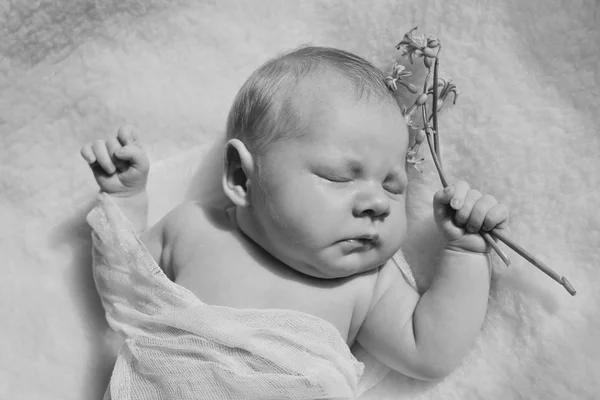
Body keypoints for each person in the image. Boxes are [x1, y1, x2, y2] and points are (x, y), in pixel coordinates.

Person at [81, 47, 508, 386]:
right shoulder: (195, 230)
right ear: (240, 176)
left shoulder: (366, 283)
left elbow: (430, 351)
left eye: (394, 186)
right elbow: (125, 279)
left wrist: (465, 251)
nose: (377, 203)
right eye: (340, 177)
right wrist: (125, 198)